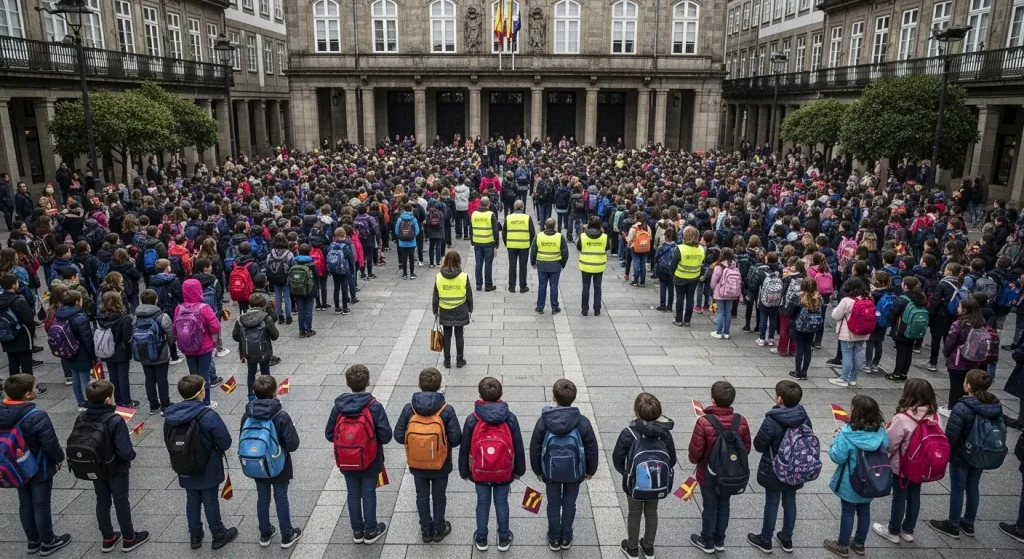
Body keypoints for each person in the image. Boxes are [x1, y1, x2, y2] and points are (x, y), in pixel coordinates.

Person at [928, 369, 1006, 540]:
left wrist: (948, 452)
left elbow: (952, 435)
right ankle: (969, 522)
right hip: (981, 452)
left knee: (957, 488)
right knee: (973, 487)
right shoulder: (995, 404)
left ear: (968, 385)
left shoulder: (963, 406)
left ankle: (953, 523)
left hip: (962, 454)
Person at [163, 375, 237, 550]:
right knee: (210, 500)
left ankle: (195, 536)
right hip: (208, 466)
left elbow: (167, 440)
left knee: (192, 499)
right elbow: (225, 441)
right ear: (201, 393)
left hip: (183, 464)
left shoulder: (171, 416)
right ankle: (218, 535)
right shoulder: (208, 415)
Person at [75, 379, 149, 552]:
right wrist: (131, 455)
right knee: (121, 501)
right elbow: (125, 450)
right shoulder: (115, 419)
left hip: (94, 466)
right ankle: (129, 538)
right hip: (116, 468)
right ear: (108, 400)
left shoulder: (82, 417)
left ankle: (108, 537)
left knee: (102, 501)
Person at [0, 374, 70, 555]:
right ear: (27, 395)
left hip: (14, 466)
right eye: (35, 387)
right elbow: (50, 444)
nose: (37, 389)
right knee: (41, 504)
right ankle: (48, 541)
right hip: (39, 466)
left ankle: (33, 540)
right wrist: (59, 458)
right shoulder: (37, 415)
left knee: (24, 502)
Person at [393, 367, 463, 543]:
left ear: (419, 385)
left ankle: (425, 530)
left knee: (421, 495)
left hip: (417, 463)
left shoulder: (409, 409)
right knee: (439, 495)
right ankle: (439, 529)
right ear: (440, 386)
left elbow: (398, 435)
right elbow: (456, 439)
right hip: (441, 463)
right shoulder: (446, 410)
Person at [325, 365, 393, 544]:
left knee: (352, 494)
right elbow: (386, 436)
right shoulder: (374, 406)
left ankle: (357, 530)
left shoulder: (338, 407)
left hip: (347, 460)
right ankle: (371, 530)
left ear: (347, 383)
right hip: (370, 459)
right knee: (369, 493)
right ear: (368, 382)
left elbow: (329, 434)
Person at [529, 379, 599, 551]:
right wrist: (590, 470)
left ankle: (554, 538)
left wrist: (537, 470)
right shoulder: (582, 421)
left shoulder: (544, 421)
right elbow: (591, 447)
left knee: (553, 504)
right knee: (569, 504)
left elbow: (535, 446)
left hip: (550, 472)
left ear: (553, 397)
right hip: (575, 473)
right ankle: (566, 537)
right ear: (574, 398)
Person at [459, 376, 526, 552]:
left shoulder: (473, 419)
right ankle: (503, 538)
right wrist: (519, 470)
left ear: (480, 395)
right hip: (504, 472)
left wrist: (464, 471)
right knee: (502, 504)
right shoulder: (510, 418)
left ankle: (481, 538)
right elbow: (518, 446)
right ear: (500, 394)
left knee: (482, 504)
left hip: (479, 472)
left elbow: (465, 448)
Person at [748, 380, 813, 553]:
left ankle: (765, 539)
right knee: (790, 502)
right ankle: (786, 538)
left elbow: (760, 445)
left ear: (779, 399)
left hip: (774, 470)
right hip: (796, 468)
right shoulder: (804, 417)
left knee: (772, 504)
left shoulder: (772, 420)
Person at [872, 378, 940, 544]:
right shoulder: (934, 415)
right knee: (915, 495)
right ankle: (908, 530)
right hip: (922, 465)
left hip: (902, 465)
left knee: (899, 496)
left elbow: (890, 443)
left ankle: (893, 530)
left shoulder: (903, 417)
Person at [687, 381, 752, 552]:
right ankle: (719, 540)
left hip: (709, 474)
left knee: (709, 505)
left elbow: (695, 453)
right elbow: (746, 448)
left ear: (713, 399)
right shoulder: (741, 420)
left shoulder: (704, 422)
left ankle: (706, 540)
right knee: (725, 504)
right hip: (731, 474)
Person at [240, 375, 303, 548]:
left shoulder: (247, 415)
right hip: (279, 464)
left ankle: (265, 533)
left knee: (262, 497)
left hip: (257, 464)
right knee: (281, 497)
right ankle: (287, 534)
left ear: (254, 393)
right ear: (275, 392)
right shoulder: (280, 415)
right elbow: (293, 444)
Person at [613, 392, 676, 559]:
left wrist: (624, 472)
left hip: (634, 481)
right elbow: (672, 459)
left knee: (634, 512)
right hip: (657, 482)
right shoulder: (665, 433)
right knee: (651, 511)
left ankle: (632, 547)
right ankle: (648, 546)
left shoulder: (629, 433)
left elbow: (617, 457)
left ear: (636, 412)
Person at [824, 395, 888, 557]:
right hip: (872, 480)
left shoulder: (847, 433)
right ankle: (859, 543)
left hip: (850, 482)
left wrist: (835, 439)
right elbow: (887, 448)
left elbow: (837, 457)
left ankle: (842, 544)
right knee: (864, 510)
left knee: (848, 512)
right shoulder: (881, 432)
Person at [174, 278, 222, 408]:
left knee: (193, 374)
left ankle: (193, 401)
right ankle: (206, 402)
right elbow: (216, 327)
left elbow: (175, 328)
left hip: (187, 347)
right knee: (204, 374)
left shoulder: (179, 308)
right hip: (204, 346)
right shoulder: (204, 308)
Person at [941, 297, 988, 416]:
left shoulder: (958, 324)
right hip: (973, 360)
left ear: (965, 310)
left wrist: (946, 354)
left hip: (957, 359)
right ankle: (965, 407)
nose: (958, 308)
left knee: (955, 385)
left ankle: (952, 408)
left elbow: (949, 342)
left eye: (959, 306)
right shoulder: (980, 323)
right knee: (968, 385)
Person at [133, 289, 176, 415]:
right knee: (162, 379)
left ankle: (153, 405)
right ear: (156, 300)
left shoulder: (136, 316)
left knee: (149, 379)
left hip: (143, 352)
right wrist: (172, 350)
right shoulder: (162, 316)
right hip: (160, 352)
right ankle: (165, 404)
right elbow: (170, 336)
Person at [233, 293, 280, 400]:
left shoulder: (241, 318)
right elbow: (275, 336)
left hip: (248, 352)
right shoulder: (266, 318)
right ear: (263, 305)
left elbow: (235, 336)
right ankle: (268, 394)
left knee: (251, 373)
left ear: (249, 304)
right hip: (264, 351)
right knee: (266, 372)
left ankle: (251, 394)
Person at [53, 290, 94, 408]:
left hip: (68, 350)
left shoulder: (59, 314)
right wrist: (93, 355)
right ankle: (88, 402)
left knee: (75, 375)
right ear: (77, 302)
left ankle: (80, 402)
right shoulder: (80, 317)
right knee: (84, 377)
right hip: (81, 351)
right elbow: (87, 339)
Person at [431, 250, 472, 369]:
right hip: (460, 309)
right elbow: (469, 294)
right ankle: (460, 360)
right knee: (459, 336)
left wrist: (435, 310)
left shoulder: (439, 277)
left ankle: (447, 361)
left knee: (447, 336)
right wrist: (470, 309)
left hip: (445, 309)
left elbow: (435, 295)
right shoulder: (463, 276)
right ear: (458, 261)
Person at [96, 292, 137, 409]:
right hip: (121, 351)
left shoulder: (100, 317)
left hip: (106, 350)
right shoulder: (124, 318)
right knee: (123, 376)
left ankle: (117, 400)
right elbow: (127, 337)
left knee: (113, 376)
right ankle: (127, 401)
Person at [829, 279, 871, 387]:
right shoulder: (867, 298)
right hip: (862, 332)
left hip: (848, 332)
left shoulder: (846, 300)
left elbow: (836, 315)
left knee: (847, 355)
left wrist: (833, 312)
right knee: (858, 354)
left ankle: (843, 378)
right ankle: (853, 378)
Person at [887, 277, 930, 383]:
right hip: (914, 328)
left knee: (901, 351)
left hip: (902, 328)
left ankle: (896, 374)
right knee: (908, 351)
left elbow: (892, 315)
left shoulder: (902, 299)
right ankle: (903, 373)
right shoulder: (920, 297)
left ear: (905, 285)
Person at [0, 274, 37, 377]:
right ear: (13, 285)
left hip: (5, 335)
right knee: (26, 363)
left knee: (12, 362)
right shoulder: (19, 300)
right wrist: (31, 334)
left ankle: (14, 388)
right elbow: (29, 319)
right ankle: (28, 387)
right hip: (21, 335)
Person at [531, 217, 569, 314]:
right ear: (554, 225)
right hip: (555, 265)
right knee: (554, 286)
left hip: (542, 265)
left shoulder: (539, 236)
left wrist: (533, 262)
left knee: (542, 286)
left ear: (545, 225)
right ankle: (555, 307)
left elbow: (533, 250)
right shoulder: (559, 237)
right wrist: (562, 264)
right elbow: (565, 252)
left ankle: (540, 307)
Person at [672, 226, 705, 327]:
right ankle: (687, 320)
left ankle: (678, 320)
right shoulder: (701, 249)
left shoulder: (680, 248)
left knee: (680, 297)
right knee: (690, 298)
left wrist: (672, 274)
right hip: (694, 277)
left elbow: (673, 264)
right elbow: (702, 263)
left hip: (680, 276)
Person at [503, 200, 535, 293]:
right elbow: (532, 233)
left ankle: (511, 287)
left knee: (512, 266)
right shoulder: (527, 218)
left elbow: (504, 233)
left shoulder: (508, 218)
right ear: (523, 207)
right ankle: (522, 287)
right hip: (524, 246)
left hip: (511, 245)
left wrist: (507, 243)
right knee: (523, 266)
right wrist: (529, 244)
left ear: (514, 207)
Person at [710, 248, 742, 339]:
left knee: (720, 311)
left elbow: (714, 281)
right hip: (731, 293)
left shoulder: (718, 267)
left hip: (720, 292)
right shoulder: (734, 267)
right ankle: (727, 332)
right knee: (728, 312)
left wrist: (713, 288)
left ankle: (718, 332)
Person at [470, 197, 500, 292]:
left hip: (477, 242)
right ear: (488, 204)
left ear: (480, 204)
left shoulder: (474, 214)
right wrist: (496, 243)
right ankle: (488, 284)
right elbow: (495, 230)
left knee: (478, 263)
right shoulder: (491, 214)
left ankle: (478, 284)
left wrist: (472, 240)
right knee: (488, 264)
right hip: (488, 242)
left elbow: (471, 228)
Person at [291, 245, 317, 337]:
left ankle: (301, 331)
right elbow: (316, 276)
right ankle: (309, 329)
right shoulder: (311, 262)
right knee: (308, 310)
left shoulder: (295, 262)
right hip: (309, 289)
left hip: (297, 289)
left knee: (301, 310)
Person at [326, 227, 355, 313]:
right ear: (344, 234)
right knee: (344, 288)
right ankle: (345, 308)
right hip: (344, 269)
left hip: (334, 269)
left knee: (336, 288)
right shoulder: (346, 246)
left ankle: (337, 307)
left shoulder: (332, 245)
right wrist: (352, 269)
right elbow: (351, 258)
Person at [626, 214, 652, 287]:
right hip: (645, 247)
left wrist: (627, 240)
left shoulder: (634, 228)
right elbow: (650, 238)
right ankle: (642, 281)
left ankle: (635, 281)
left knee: (636, 263)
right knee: (643, 264)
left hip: (635, 247)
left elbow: (629, 239)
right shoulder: (647, 227)